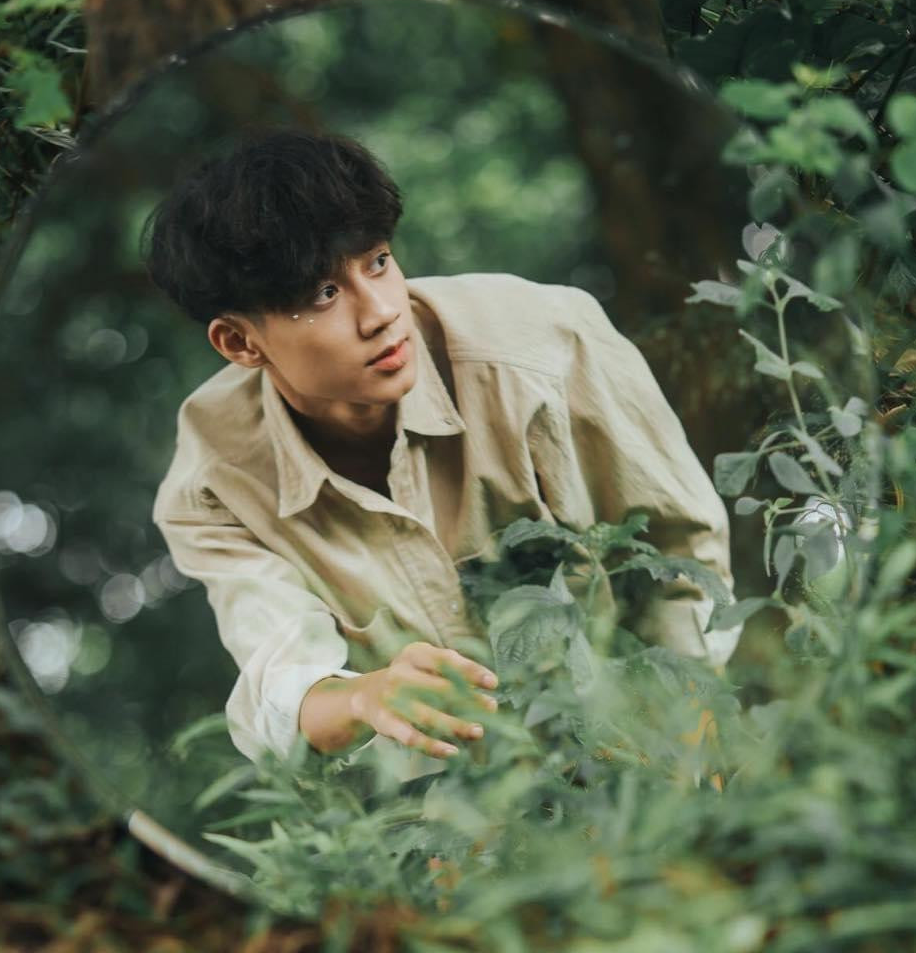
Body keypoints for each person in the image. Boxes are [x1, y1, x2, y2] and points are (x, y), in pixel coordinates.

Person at [142, 127, 741, 784]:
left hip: (646, 741)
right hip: (465, 809)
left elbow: (678, 552)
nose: (381, 312)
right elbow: (281, 684)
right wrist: (364, 697)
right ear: (239, 343)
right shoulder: (213, 487)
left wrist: (689, 755)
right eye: (323, 295)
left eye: (377, 262)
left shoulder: (546, 347)